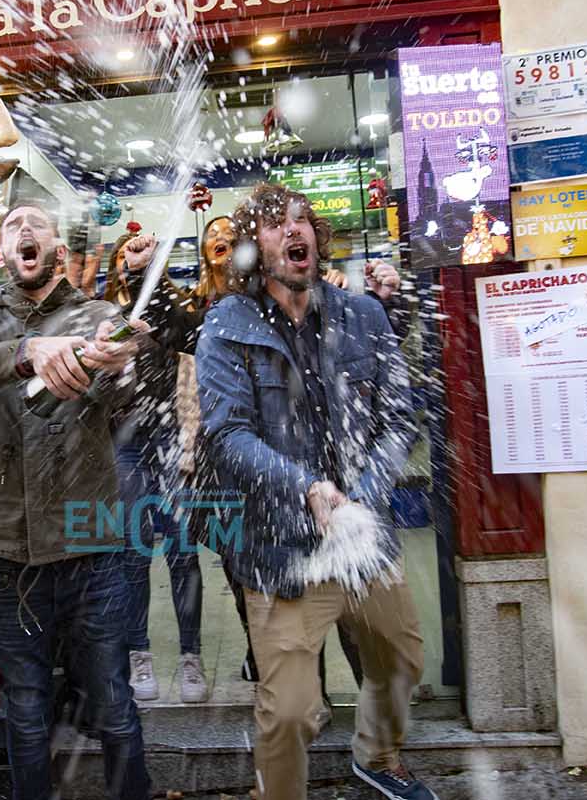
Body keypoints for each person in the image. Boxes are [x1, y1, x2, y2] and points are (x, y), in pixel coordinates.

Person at [194, 182, 430, 800]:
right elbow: (226, 434)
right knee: (293, 711)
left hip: (361, 535)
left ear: (317, 240)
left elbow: (400, 416)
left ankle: (378, 755)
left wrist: (362, 493)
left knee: (403, 662)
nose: (293, 230)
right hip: (281, 550)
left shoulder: (364, 315)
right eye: (275, 225)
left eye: (302, 221)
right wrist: (308, 488)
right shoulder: (226, 326)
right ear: (253, 247)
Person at [125, 219, 405, 705]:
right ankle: (294, 695)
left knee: (354, 612)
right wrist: (142, 274)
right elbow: (168, 326)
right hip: (249, 484)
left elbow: (371, 366)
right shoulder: (205, 310)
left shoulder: (310, 297)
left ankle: (374, 729)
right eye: (216, 237)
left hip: (332, 488)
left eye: (233, 237)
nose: (226, 245)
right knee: (266, 595)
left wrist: (387, 306)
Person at [0, 202, 151, 800]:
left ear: (59, 248)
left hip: (94, 543)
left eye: (37, 224)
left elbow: (125, 401)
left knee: (113, 701)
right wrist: (30, 350)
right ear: (3, 254)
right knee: (26, 708)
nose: (24, 231)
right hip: (8, 550)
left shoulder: (99, 316)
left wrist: (119, 369)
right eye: (12, 228)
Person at [100, 235, 206, 703]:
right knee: (132, 552)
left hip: (168, 434)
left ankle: (191, 656)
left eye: (138, 258)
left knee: (183, 549)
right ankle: (138, 654)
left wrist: (149, 277)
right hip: (124, 441)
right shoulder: (101, 312)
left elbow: (183, 333)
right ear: (113, 264)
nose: (130, 263)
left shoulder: (166, 305)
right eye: (124, 257)